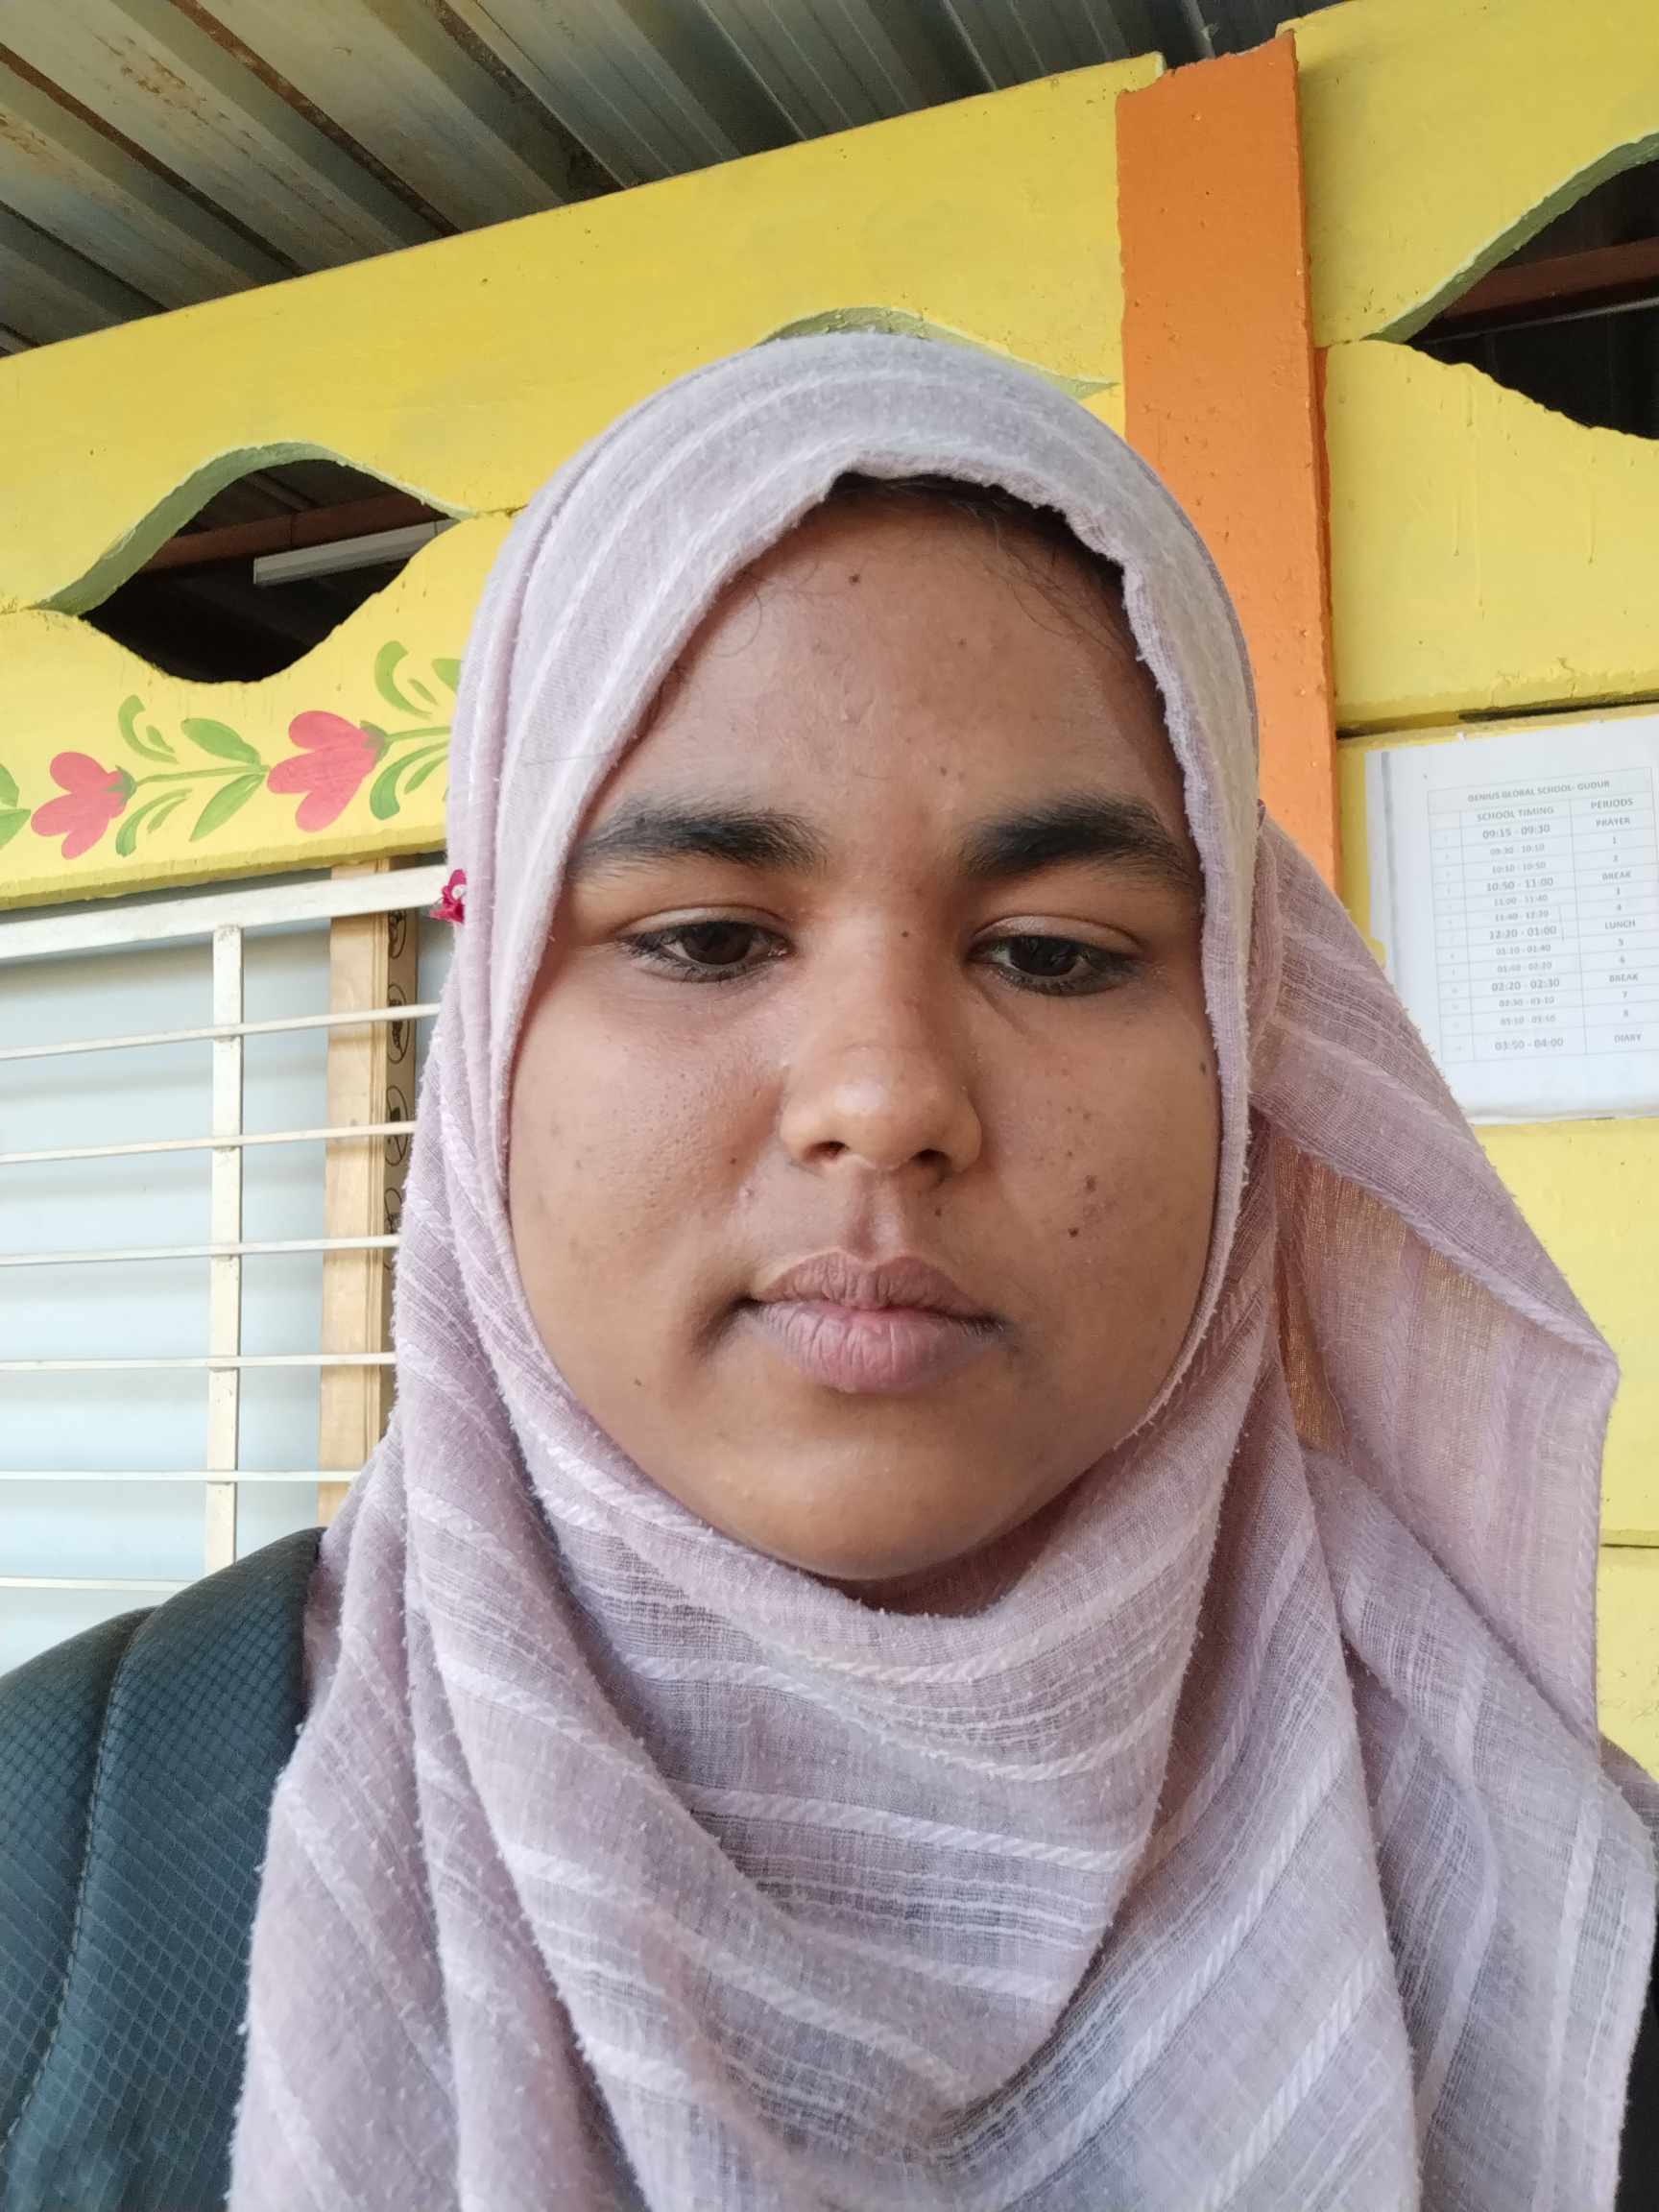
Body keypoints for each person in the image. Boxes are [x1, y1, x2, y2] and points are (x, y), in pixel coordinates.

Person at [7, 334, 1655, 2210]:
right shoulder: (52, 1880)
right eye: (706, 938)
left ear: (1248, 1049)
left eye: (1054, 951)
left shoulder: (1575, 1959)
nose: (884, 1102)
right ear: (489, 1052)